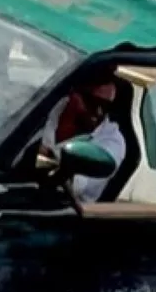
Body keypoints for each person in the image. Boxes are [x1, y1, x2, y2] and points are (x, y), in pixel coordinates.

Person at [38, 69, 127, 203]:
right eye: (92, 102)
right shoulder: (50, 107)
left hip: (65, 210)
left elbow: (73, 184)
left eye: (106, 106)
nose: (98, 112)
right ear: (74, 93)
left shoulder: (112, 142)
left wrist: (42, 155)